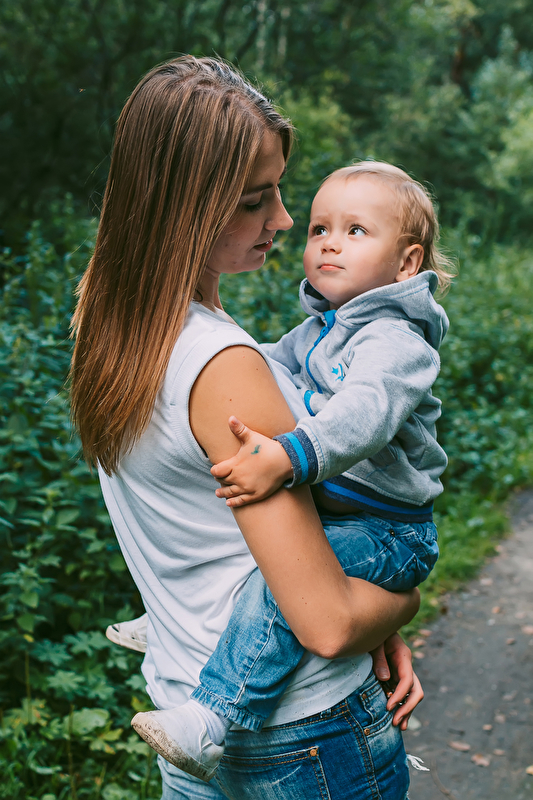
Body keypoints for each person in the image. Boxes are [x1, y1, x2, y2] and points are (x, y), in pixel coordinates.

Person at [71, 55, 423, 800]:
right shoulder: (224, 364)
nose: (285, 220)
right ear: (185, 208)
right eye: (256, 200)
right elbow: (328, 624)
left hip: (185, 706)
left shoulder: (109, 325)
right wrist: (401, 604)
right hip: (305, 731)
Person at [127, 161, 452, 778]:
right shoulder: (322, 329)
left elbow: (365, 413)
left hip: (388, 529)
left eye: (356, 231)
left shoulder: (395, 339)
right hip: (349, 517)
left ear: (407, 263)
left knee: (273, 593)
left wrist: (290, 454)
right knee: (277, 580)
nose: (328, 241)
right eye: (320, 228)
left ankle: (213, 717)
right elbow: (265, 367)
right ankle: (179, 619)